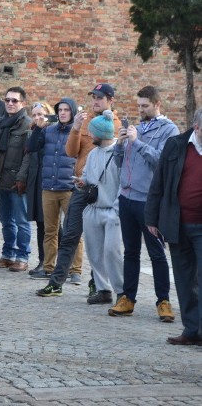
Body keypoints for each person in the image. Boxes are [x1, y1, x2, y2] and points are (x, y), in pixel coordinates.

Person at [37, 83, 121, 297]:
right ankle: (57, 282)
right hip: (82, 185)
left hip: (105, 188)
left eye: (100, 98)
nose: (95, 101)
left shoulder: (117, 124)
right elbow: (71, 151)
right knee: (70, 234)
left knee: (99, 240)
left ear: (110, 100)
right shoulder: (85, 122)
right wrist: (75, 129)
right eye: (93, 97)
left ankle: (98, 283)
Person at [109, 86, 179, 320]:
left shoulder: (169, 129)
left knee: (157, 253)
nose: (140, 110)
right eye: (138, 106)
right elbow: (120, 163)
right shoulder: (135, 128)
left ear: (157, 104)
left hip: (149, 201)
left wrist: (137, 142)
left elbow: (161, 161)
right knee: (130, 252)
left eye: (145, 106)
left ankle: (164, 301)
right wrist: (119, 144)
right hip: (126, 198)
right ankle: (128, 298)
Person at [145, 108, 202, 345]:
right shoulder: (176, 145)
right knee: (184, 278)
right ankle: (191, 330)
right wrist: (151, 218)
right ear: (197, 127)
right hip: (177, 223)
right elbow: (159, 181)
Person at [31, 98, 80, 281]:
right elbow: (31, 147)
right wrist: (38, 127)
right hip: (49, 187)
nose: (63, 113)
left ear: (72, 112)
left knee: (73, 231)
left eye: (67, 110)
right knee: (50, 231)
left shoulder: (78, 131)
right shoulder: (49, 130)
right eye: (60, 110)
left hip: (69, 188)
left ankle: (75, 270)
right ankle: (48, 267)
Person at [80, 110, 123, 305]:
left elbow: (123, 183)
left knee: (112, 252)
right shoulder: (92, 154)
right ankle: (103, 289)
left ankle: (122, 292)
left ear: (102, 134)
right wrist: (80, 182)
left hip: (112, 211)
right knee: (95, 252)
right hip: (93, 209)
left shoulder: (118, 153)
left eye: (92, 132)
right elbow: (88, 177)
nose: (90, 135)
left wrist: (116, 210)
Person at [0, 86, 32, 272]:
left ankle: (23, 256)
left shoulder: (27, 125)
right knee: (6, 221)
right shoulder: (0, 124)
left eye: (15, 100)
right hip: (1, 180)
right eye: (7, 100)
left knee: (22, 221)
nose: (10, 104)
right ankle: (8, 255)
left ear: (23, 103)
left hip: (17, 181)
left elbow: (28, 155)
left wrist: (21, 179)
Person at [23, 101, 54, 277]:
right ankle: (43, 260)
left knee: (52, 225)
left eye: (41, 114)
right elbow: (30, 148)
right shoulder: (36, 131)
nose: (37, 118)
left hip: (50, 181)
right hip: (36, 181)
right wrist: (37, 128)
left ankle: (54, 262)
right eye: (34, 115)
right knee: (41, 224)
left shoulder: (54, 130)